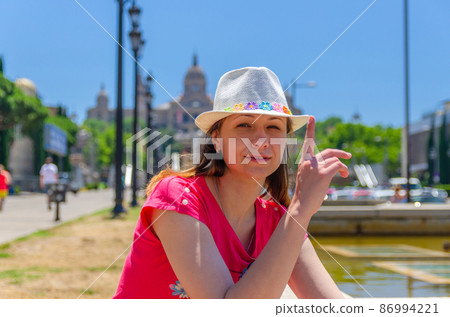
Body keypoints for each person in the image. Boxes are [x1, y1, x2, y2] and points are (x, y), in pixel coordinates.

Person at [113, 67, 351, 299]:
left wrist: (298, 214)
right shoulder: (177, 196)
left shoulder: (277, 222)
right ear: (216, 140)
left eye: (273, 127)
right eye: (244, 125)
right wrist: (299, 209)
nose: (260, 140)